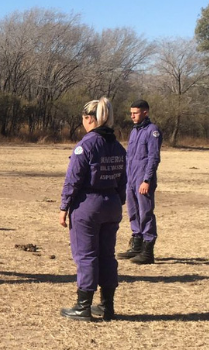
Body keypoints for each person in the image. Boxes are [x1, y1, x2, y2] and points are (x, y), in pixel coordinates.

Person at [58, 98, 126, 321]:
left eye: (84, 120)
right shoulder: (117, 146)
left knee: (86, 256)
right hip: (112, 204)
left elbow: (73, 180)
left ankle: (82, 306)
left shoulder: (85, 146)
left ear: (89, 119)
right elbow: (124, 180)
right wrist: (119, 201)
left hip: (89, 205)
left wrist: (63, 206)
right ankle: (107, 306)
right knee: (107, 255)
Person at [117, 99, 162, 265]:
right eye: (131, 113)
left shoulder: (152, 131)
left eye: (135, 113)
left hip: (143, 179)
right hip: (131, 178)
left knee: (146, 213)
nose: (132, 116)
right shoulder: (134, 131)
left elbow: (153, 157)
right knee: (133, 211)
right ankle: (136, 244)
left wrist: (147, 180)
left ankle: (148, 250)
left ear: (145, 112)